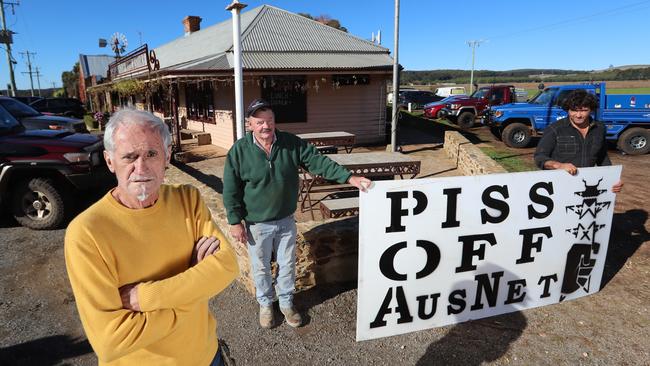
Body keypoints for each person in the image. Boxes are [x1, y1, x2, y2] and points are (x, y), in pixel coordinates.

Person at [65, 109, 239, 366]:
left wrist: (145, 297)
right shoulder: (87, 233)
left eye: (151, 154)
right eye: (129, 156)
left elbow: (227, 266)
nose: (141, 167)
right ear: (110, 161)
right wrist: (193, 287)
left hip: (207, 356)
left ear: (167, 156)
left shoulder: (187, 199)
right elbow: (111, 341)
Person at [223, 99, 371, 329]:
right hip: (256, 223)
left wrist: (350, 178)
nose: (266, 126)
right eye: (259, 122)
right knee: (260, 266)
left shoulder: (291, 143)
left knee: (287, 264)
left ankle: (286, 303)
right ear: (250, 124)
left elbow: (318, 162)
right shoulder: (239, 151)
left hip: (284, 220)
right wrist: (234, 221)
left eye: (269, 120)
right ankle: (265, 305)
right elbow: (231, 189)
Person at [534, 89, 623, 193]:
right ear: (567, 110)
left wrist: (613, 178)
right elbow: (539, 157)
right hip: (559, 185)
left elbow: (602, 157)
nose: (578, 115)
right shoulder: (555, 129)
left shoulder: (600, 128)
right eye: (574, 110)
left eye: (584, 110)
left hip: (586, 185)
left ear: (591, 110)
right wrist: (558, 165)